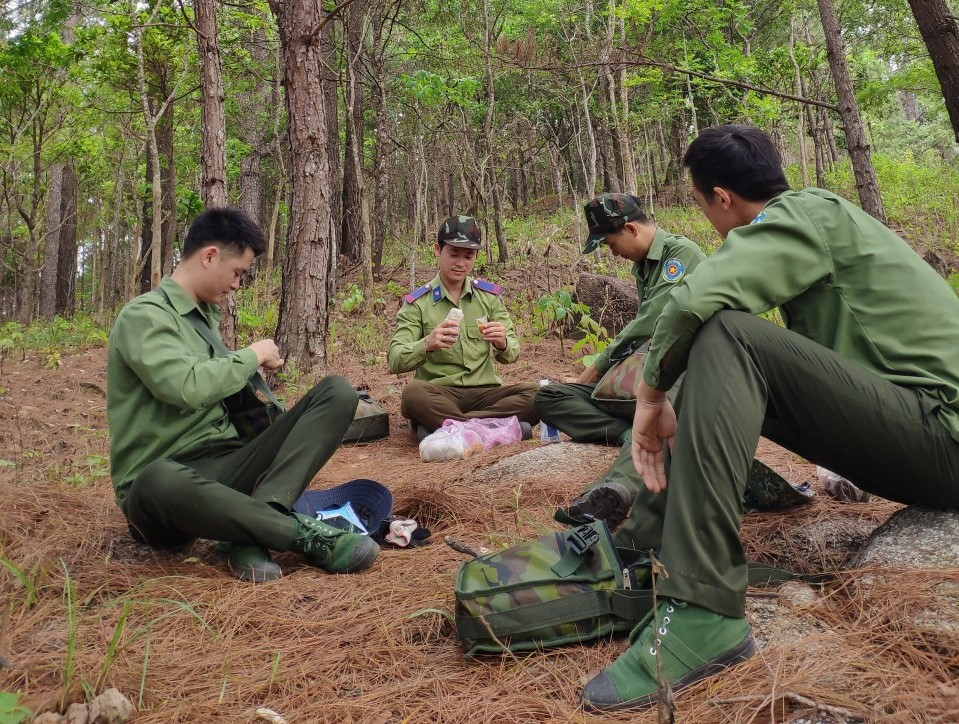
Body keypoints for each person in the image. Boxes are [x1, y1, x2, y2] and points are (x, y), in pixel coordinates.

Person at [580, 125, 959, 711]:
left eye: (702, 204)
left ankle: (706, 610)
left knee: (726, 332)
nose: (707, 219)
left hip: (944, 433)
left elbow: (695, 298)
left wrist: (650, 396)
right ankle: (646, 537)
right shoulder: (820, 226)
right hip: (921, 430)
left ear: (722, 197)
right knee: (718, 356)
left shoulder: (807, 212)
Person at [107, 207, 379, 583]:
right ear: (209, 256)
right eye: (237, 272)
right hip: (166, 490)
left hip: (227, 465)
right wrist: (251, 355)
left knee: (338, 392)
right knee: (156, 479)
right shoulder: (144, 316)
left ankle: (250, 531)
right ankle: (301, 537)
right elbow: (184, 388)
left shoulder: (204, 320)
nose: (237, 284)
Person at [534, 193, 705, 447]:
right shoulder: (643, 266)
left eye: (611, 244)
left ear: (630, 229)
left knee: (649, 398)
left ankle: (638, 426)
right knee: (548, 398)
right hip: (642, 371)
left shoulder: (680, 254)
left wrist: (597, 367)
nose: (614, 254)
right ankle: (626, 434)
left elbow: (650, 322)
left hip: (676, 374)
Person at [387, 215, 539, 440]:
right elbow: (395, 360)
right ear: (438, 251)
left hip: (486, 393)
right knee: (413, 394)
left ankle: (450, 429)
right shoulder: (418, 303)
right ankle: (499, 429)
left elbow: (512, 354)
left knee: (541, 394)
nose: (461, 263)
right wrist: (426, 344)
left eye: (468, 256)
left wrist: (503, 342)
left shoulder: (489, 297)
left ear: (476, 256)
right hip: (440, 393)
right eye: (453, 254)